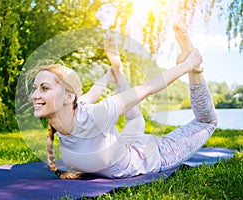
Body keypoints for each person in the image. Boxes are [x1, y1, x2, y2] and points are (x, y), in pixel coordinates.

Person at [30, 25, 217, 179]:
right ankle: (118, 69)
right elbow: (94, 91)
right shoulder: (74, 108)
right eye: (35, 88)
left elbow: (148, 87)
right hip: (128, 143)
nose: (33, 96)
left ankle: (195, 69)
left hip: (157, 154)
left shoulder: (96, 115)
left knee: (207, 122)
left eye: (44, 88)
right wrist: (112, 71)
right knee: (133, 117)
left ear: (68, 97)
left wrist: (187, 66)